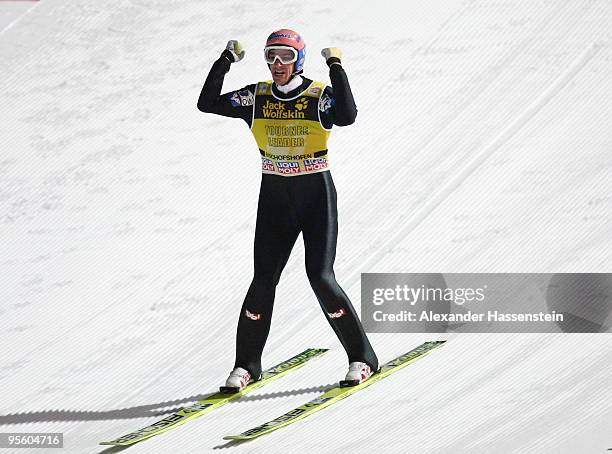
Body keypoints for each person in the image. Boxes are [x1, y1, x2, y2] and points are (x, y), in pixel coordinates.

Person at [197, 29, 379, 392]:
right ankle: (246, 364)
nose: (277, 64)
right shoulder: (257, 97)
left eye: (285, 56)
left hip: (315, 194)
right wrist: (225, 61)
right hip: (275, 196)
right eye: (271, 56)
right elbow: (207, 103)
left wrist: (336, 66)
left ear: (299, 59)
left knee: (320, 277)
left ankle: (362, 358)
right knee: (263, 280)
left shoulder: (316, 95)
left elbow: (347, 115)